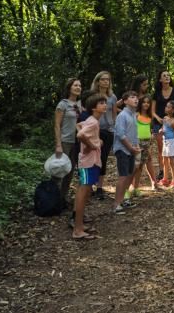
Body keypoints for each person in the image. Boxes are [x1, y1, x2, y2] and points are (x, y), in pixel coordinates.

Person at [72, 93, 106, 240]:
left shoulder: (90, 120)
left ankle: (79, 226)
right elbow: (80, 136)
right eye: (101, 103)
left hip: (90, 161)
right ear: (94, 107)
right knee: (83, 191)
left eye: (105, 102)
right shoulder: (93, 122)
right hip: (88, 162)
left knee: (85, 192)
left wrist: (97, 141)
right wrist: (92, 145)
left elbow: (79, 126)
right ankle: (77, 230)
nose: (105, 105)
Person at [112, 88, 142, 215]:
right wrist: (130, 147)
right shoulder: (122, 116)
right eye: (132, 97)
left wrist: (136, 146)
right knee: (123, 176)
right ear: (124, 101)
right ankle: (116, 205)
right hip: (122, 150)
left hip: (131, 150)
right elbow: (120, 134)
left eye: (136, 97)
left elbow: (134, 134)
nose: (136, 99)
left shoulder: (133, 115)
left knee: (129, 175)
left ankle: (123, 200)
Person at [53, 78, 83, 201]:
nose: (78, 87)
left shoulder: (81, 105)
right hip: (65, 141)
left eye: (80, 85)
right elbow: (57, 125)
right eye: (75, 85)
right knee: (60, 171)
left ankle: (62, 198)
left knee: (70, 171)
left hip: (77, 142)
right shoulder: (63, 104)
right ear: (69, 88)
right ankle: (52, 198)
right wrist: (58, 144)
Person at [152, 69, 174, 181]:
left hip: (171, 123)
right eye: (164, 75)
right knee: (162, 149)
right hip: (159, 123)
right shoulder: (156, 93)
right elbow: (152, 111)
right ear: (160, 79)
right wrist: (158, 119)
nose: (167, 77)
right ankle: (162, 172)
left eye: (168, 75)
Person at [92, 71, 118, 199]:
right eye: (103, 79)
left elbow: (114, 114)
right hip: (94, 130)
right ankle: (90, 184)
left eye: (108, 79)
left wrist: (114, 128)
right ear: (98, 81)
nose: (105, 82)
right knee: (92, 158)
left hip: (108, 131)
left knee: (103, 158)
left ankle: (100, 187)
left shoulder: (112, 97)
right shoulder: (93, 96)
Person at [131, 93, 159, 194]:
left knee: (141, 166)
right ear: (140, 103)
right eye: (144, 102)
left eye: (148, 103)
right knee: (135, 166)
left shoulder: (150, 116)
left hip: (147, 143)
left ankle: (136, 188)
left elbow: (150, 129)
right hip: (137, 143)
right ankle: (128, 187)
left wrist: (151, 135)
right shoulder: (136, 115)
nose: (146, 104)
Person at [158, 100, 174, 188]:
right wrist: (161, 130)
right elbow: (163, 128)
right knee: (164, 160)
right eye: (166, 106)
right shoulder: (165, 118)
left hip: (171, 142)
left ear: (173, 110)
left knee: (171, 160)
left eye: (168, 107)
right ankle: (165, 178)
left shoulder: (173, 121)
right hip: (165, 141)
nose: (166, 108)